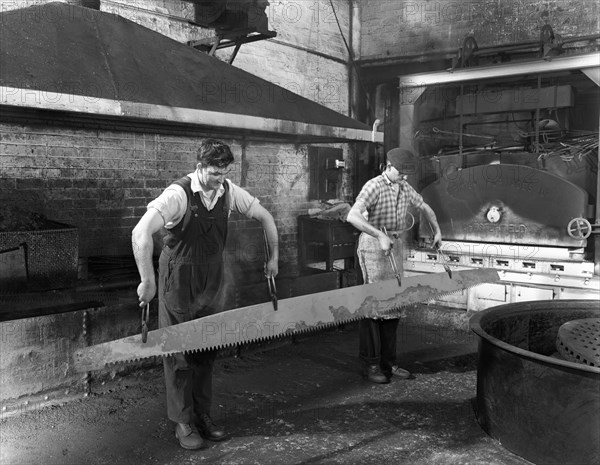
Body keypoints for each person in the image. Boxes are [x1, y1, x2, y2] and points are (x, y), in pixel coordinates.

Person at [131, 139, 279, 450]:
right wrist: (147, 280)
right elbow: (140, 233)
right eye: (214, 174)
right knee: (179, 352)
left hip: (212, 281)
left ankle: (203, 414)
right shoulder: (178, 194)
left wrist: (273, 258)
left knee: (207, 348)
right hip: (179, 280)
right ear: (200, 167)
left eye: (225, 173)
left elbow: (265, 217)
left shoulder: (228, 191)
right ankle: (183, 422)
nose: (220, 180)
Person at [346, 147, 442, 384]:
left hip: (394, 247)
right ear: (388, 166)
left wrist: (437, 230)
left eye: (407, 174)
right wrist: (379, 235)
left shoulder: (404, 186)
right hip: (373, 249)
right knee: (373, 309)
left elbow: (425, 207)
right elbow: (353, 216)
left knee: (393, 307)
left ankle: (389, 363)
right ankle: (371, 364)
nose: (405, 177)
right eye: (401, 172)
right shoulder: (373, 185)